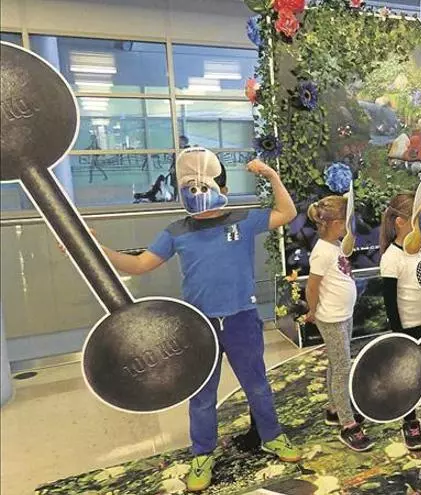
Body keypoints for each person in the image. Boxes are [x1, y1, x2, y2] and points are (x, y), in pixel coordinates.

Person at [75, 152, 299, 492]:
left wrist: (271, 175)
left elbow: (287, 213)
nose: (199, 196)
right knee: (202, 395)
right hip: (198, 327)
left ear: (223, 189)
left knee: (257, 385)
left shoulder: (243, 220)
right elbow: (139, 265)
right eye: (190, 188)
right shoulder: (177, 231)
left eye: (205, 187)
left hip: (241, 319)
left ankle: (272, 436)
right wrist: (94, 247)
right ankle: (203, 454)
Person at [305, 195, 373, 452]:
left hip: (343, 314)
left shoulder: (334, 245)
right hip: (332, 318)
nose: (351, 225)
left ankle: (335, 408)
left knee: (337, 363)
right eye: (347, 221)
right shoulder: (322, 252)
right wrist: (313, 311)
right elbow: (312, 287)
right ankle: (347, 423)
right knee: (343, 367)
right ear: (335, 224)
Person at [379, 193, 421, 450]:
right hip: (407, 327)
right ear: (401, 222)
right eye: (420, 217)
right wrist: (398, 334)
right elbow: (390, 301)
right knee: (409, 375)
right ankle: (410, 419)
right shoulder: (392, 258)